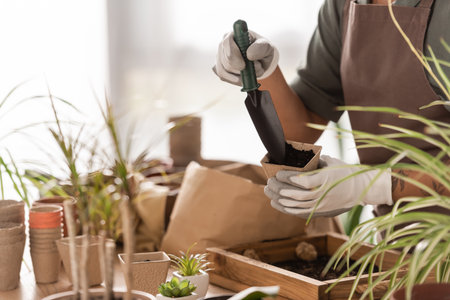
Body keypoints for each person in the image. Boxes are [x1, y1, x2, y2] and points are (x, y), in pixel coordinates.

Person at [213, 0, 450, 219]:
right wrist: (264, 73)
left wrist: (370, 186)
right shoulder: (343, 6)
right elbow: (299, 132)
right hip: (396, 245)